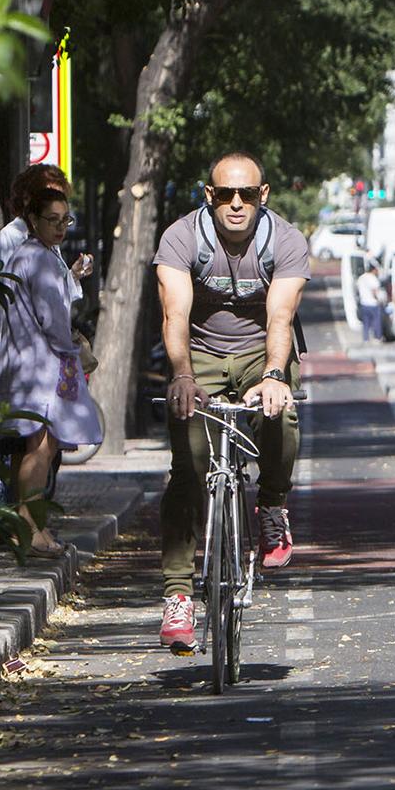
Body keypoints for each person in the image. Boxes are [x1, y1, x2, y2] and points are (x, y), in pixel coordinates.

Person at [152, 151, 310, 651]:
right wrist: (181, 375)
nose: (236, 204)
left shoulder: (285, 241)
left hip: (259, 353)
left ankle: (272, 505)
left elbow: (281, 318)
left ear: (263, 195)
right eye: (225, 194)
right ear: (209, 196)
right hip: (197, 353)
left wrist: (273, 375)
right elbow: (174, 315)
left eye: (246, 194)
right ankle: (178, 597)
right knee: (188, 465)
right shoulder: (182, 237)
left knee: (280, 413)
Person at [0, 186, 102, 556]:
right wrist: (71, 347)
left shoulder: (28, 255)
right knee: (41, 446)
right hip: (41, 366)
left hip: (23, 362)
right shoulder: (37, 257)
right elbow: (53, 319)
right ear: (33, 220)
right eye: (51, 220)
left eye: (64, 220)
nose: (60, 227)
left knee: (31, 446)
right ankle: (30, 529)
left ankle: (30, 528)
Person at [355, 261, 387, 342]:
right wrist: (379, 300)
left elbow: (357, 290)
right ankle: (377, 337)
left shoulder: (361, 278)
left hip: (364, 303)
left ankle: (366, 338)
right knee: (376, 321)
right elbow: (374, 291)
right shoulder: (373, 278)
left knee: (366, 322)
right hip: (373, 303)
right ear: (374, 270)